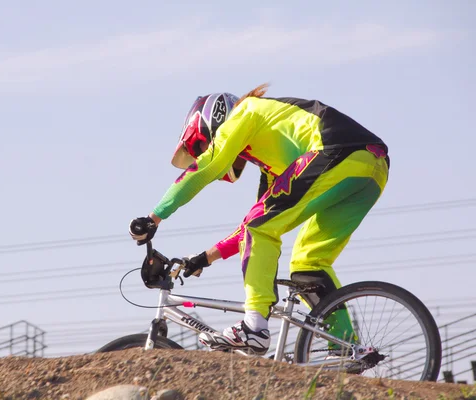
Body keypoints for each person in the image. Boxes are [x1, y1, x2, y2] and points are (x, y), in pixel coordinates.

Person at [129, 84, 389, 355]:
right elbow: (250, 228)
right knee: (307, 264)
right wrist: (205, 257)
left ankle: (254, 327)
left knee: (261, 227)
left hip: (336, 150)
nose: (207, 152)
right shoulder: (275, 163)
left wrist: (154, 217)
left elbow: (208, 166)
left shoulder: (245, 112)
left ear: (213, 122)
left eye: (203, 145)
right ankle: (346, 345)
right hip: (371, 168)